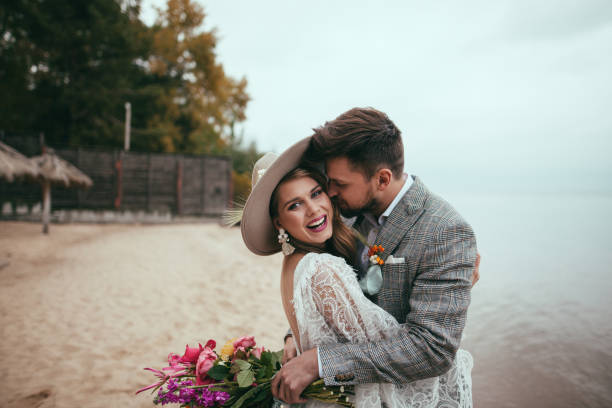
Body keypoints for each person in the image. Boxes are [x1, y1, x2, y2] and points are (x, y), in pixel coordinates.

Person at [239, 135, 475, 407]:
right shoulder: (321, 267)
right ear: (278, 221)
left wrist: (450, 291)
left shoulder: (305, 257)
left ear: (382, 179)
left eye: (318, 192)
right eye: (295, 204)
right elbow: (399, 347)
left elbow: (322, 317)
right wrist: (318, 360)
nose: (317, 208)